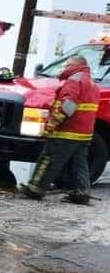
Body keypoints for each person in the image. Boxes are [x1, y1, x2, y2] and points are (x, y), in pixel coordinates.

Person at [20, 55, 100, 205]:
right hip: (84, 134)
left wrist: (52, 123)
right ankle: (82, 193)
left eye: (67, 65)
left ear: (76, 65)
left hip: (67, 131)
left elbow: (68, 105)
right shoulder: (92, 83)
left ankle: (35, 189)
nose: (64, 69)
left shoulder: (74, 80)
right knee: (79, 164)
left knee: (48, 159)